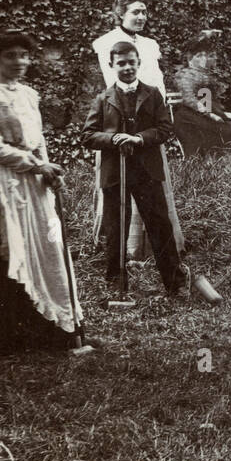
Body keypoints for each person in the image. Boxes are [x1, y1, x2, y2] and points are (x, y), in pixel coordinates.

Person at [0, 31, 88, 351]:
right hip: (2, 184)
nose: (19, 62)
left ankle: (47, 328)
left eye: (24, 56)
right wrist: (33, 165)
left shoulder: (29, 95)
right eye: (10, 56)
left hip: (35, 182)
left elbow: (38, 138)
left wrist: (48, 167)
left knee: (43, 249)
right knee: (5, 250)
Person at [83, 41, 190, 298]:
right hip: (114, 174)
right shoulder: (103, 98)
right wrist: (113, 139)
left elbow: (165, 129)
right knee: (115, 228)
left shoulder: (152, 94)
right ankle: (116, 285)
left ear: (139, 63)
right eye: (121, 63)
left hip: (146, 172)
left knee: (159, 225)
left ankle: (174, 284)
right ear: (111, 66)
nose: (127, 67)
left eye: (132, 62)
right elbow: (88, 135)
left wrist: (139, 138)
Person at [91, 0, 184, 257]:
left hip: (151, 120)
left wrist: (160, 116)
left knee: (151, 182)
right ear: (120, 13)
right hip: (121, 119)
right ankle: (125, 249)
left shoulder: (150, 45)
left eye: (144, 11)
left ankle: (156, 245)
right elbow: (114, 85)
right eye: (135, 12)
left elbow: (159, 83)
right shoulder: (107, 42)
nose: (141, 16)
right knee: (118, 186)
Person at [172, 32, 231, 156]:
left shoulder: (206, 75)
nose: (203, 59)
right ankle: (217, 159)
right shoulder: (184, 75)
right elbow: (189, 98)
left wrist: (222, 113)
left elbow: (208, 99)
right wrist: (210, 115)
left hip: (207, 112)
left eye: (205, 55)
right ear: (189, 59)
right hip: (189, 116)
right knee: (221, 130)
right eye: (199, 56)